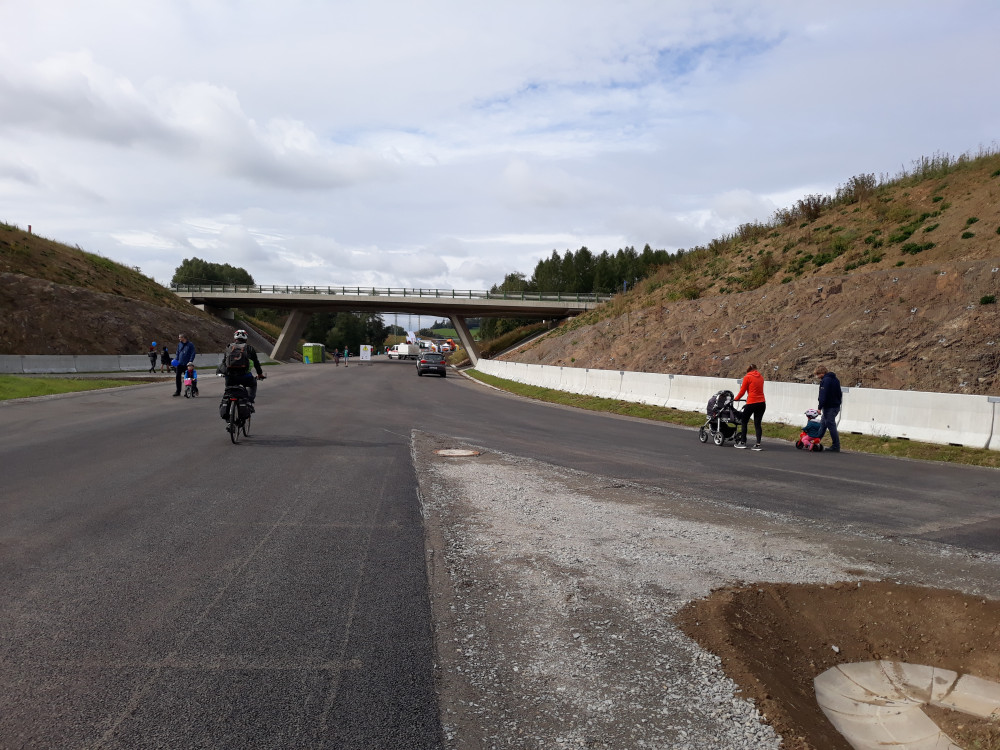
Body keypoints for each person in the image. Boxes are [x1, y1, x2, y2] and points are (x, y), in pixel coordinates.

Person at [223, 329, 265, 403]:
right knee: (253, 384)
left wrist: (224, 372)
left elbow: (224, 362)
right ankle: (249, 401)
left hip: (230, 377)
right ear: (246, 338)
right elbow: (256, 363)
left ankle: (226, 403)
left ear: (235, 338)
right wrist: (260, 374)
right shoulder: (249, 348)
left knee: (228, 392)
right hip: (245, 376)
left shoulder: (229, 347)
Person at [735, 364, 766, 450]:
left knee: (744, 421)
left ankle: (743, 442)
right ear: (755, 369)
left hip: (752, 402)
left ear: (748, 370)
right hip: (762, 403)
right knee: (757, 423)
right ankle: (758, 444)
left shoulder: (747, 377)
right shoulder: (761, 377)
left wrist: (736, 399)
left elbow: (742, 391)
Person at [814, 365, 843, 452]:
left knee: (831, 425)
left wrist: (819, 407)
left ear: (821, 373)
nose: (817, 377)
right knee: (823, 424)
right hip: (835, 405)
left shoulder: (825, 381)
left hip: (829, 407)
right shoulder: (835, 379)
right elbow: (839, 393)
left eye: (818, 375)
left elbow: (823, 395)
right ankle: (816, 441)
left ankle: (836, 445)